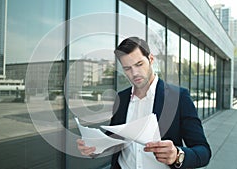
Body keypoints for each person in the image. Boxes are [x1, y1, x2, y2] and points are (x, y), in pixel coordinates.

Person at [77, 37, 211, 169]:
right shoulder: (121, 98)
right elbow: (114, 142)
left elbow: (204, 152)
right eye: (127, 68)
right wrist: (95, 148)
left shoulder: (179, 97)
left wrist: (177, 155)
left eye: (139, 64)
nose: (134, 73)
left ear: (151, 59)